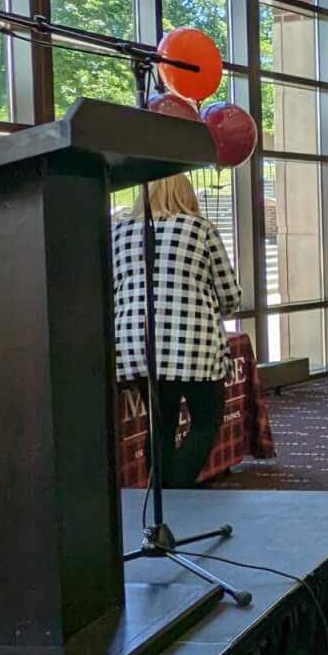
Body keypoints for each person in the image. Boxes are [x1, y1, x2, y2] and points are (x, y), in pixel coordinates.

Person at [112, 174, 241, 489]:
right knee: (205, 423)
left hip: (138, 344)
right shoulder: (200, 230)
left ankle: (163, 501)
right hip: (194, 346)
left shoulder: (118, 232)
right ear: (185, 194)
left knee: (161, 427)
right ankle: (176, 493)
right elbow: (229, 295)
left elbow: (111, 289)